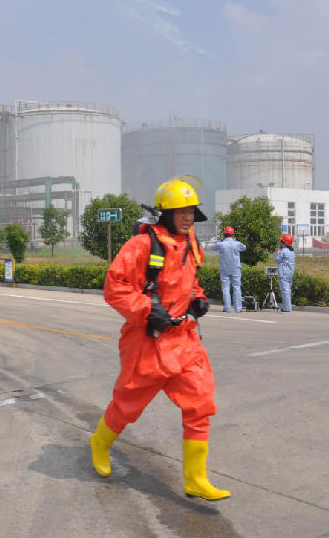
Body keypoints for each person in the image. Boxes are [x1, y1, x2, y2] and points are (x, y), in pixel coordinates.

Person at [88, 179, 231, 500]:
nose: (188, 217)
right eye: (181, 211)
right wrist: (146, 309)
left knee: (200, 403)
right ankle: (99, 442)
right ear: (165, 213)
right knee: (127, 405)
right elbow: (115, 287)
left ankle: (196, 479)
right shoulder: (141, 245)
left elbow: (189, 281)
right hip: (147, 341)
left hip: (184, 340)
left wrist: (197, 298)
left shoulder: (191, 243)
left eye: (191, 211)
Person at [209, 226, 247, 312]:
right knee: (237, 287)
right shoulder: (237, 243)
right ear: (233, 235)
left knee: (225, 288)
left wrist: (220, 241)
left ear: (224, 235)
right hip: (235, 268)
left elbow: (211, 247)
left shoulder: (221, 244)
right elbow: (244, 247)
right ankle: (238, 308)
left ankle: (227, 308)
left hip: (224, 269)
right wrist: (235, 241)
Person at [273, 233, 296, 312]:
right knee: (288, 290)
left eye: (282, 241)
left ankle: (287, 308)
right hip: (290, 273)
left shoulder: (284, 251)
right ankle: (288, 307)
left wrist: (277, 251)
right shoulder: (292, 252)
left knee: (285, 291)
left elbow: (277, 260)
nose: (281, 243)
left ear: (285, 243)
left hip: (283, 273)